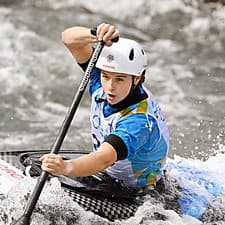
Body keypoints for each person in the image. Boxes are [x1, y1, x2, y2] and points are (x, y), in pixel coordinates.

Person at [40, 23, 169, 190]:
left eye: (119, 79)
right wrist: (96, 34)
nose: (110, 87)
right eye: (105, 76)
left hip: (138, 194)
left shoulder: (139, 122)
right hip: (108, 175)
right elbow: (69, 39)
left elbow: (103, 159)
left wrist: (65, 168)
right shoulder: (100, 79)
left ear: (137, 79)